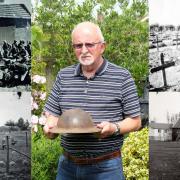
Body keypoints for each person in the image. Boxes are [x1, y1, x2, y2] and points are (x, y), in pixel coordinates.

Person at [43, 21, 141, 180]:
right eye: (78, 45)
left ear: (102, 47)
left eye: (89, 44)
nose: (83, 50)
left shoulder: (122, 77)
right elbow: (53, 114)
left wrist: (114, 128)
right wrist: (49, 127)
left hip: (106, 169)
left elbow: (135, 122)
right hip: (67, 167)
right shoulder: (63, 76)